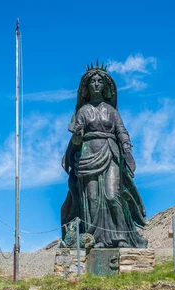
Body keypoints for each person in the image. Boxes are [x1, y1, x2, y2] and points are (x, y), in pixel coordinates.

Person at [61, 62, 147, 248]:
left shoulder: (112, 111)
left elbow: (121, 130)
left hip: (110, 153)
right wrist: (77, 135)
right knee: (91, 199)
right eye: (93, 81)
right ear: (87, 86)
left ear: (106, 86)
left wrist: (125, 145)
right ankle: (97, 238)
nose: (97, 84)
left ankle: (121, 237)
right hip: (87, 155)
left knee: (111, 195)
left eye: (100, 81)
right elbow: (76, 141)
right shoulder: (82, 112)